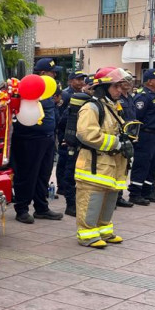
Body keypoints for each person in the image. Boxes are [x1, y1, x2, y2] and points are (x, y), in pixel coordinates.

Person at [73, 67, 131, 248]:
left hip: (110, 164)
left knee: (109, 198)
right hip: (94, 163)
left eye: (122, 87)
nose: (120, 91)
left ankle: (104, 230)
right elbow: (86, 134)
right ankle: (87, 235)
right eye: (116, 87)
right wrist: (116, 143)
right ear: (104, 87)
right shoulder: (91, 107)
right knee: (92, 199)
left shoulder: (112, 106)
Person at [12, 59, 63, 223]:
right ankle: (22, 209)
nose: (54, 75)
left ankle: (41, 208)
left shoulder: (48, 89)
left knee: (44, 174)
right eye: (51, 72)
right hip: (30, 140)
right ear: (41, 73)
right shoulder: (28, 87)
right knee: (28, 175)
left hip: (47, 138)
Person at [128, 69, 155, 206]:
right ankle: (135, 193)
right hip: (146, 135)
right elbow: (137, 118)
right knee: (142, 164)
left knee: (152, 165)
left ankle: (147, 191)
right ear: (150, 81)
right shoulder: (143, 96)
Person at [56, 71, 88, 217]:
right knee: (67, 170)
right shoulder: (68, 96)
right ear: (70, 81)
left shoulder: (87, 98)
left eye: (83, 80)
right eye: (78, 79)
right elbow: (62, 121)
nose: (81, 82)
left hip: (81, 141)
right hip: (70, 141)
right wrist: (65, 137)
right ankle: (66, 196)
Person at [116, 72, 137, 208]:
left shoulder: (130, 98)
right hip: (120, 135)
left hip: (130, 135)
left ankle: (119, 195)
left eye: (130, 81)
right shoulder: (117, 98)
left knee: (125, 167)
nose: (129, 84)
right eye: (126, 81)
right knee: (117, 166)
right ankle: (115, 196)